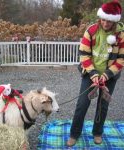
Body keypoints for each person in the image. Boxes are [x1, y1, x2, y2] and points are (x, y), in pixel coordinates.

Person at [67, 0, 124, 146]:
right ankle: (74, 133)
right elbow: (84, 54)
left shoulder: (120, 35)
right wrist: (93, 74)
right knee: (82, 103)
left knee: (102, 105)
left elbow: (121, 59)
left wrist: (106, 75)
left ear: (115, 21)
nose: (105, 23)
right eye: (103, 19)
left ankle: (97, 132)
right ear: (100, 17)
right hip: (90, 72)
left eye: (109, 21)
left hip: (109, 75)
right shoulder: (91, 30)